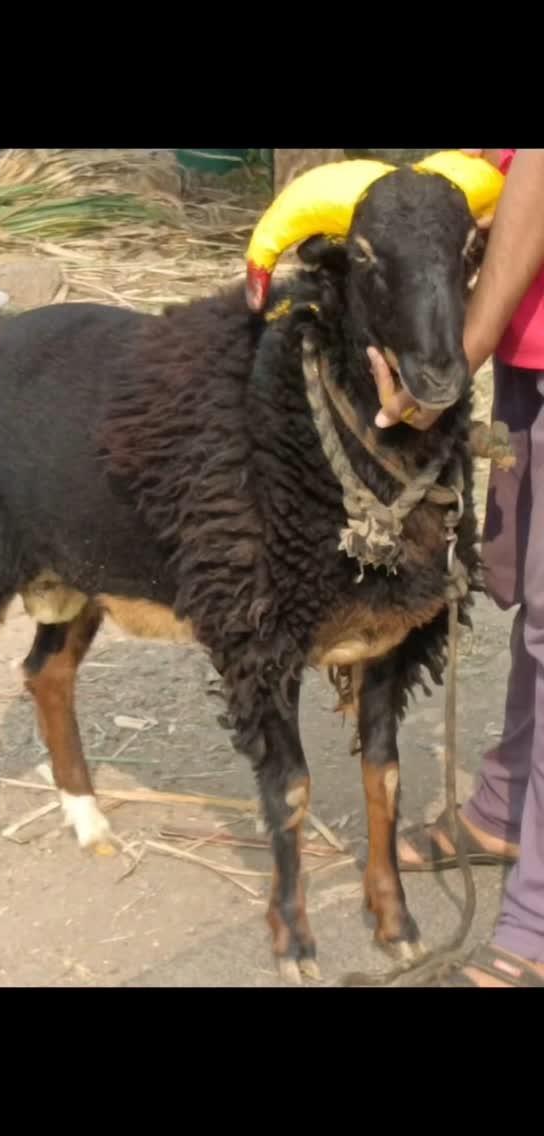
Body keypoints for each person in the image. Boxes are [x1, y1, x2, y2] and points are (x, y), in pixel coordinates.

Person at [368, 148, 544, 986]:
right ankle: (508, 804)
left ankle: (538, 912)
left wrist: (451, 361)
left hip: (508, 318)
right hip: (529, 329)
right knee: (531, 598)